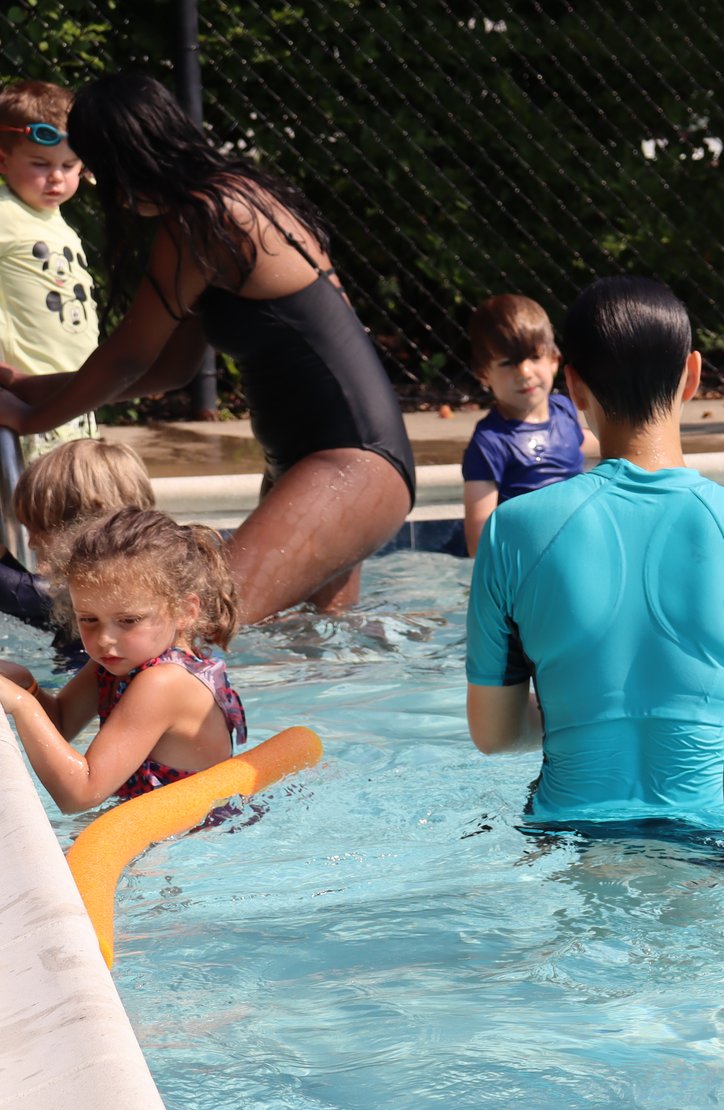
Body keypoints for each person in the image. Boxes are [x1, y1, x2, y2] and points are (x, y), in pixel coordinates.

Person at [0, 71, 414, 625]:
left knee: (182, 626)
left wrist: (31, 420)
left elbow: (130, 356)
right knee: (314, 652)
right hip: (317, 470)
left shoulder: (208, 215)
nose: (99, 183)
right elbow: (169, 369)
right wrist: (27, 388)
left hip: (349, 465)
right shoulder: (220, 202)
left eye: (97, 165)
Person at [464, 276, 724, 828]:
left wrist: (576, 711)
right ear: (693, 376)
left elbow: (494, 735)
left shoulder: (512, 531)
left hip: (570, 835)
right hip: (718, 846)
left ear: (574, 387)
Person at [0, 506, 245, 814]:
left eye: (128, 620)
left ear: (185, 611)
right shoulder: (119, 663)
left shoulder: (165, 683)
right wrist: (25, 682)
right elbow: (60, 723)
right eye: (88, 619)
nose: (104, 639)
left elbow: (80, 794)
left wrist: (22, 704)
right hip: (152, 832)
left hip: (198, 840)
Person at [0, 79, 101, 459]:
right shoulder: (5, 212)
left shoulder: (58, 223)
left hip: (73, 390)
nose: (57, 177)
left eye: (68, 165)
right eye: (41, 164)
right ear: (3, 160)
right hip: (24, 393)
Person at [0, 436, 155, 669]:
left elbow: (20, 593)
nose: (32, 543)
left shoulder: (107, 592)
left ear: (85, 526)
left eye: (40, 529)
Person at [456, 293, 592, 558]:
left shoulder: (563, 410)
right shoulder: (490, 442)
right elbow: (478, 539)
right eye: (508, 363)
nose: (524, 373)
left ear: (554, 360)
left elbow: (580, 442)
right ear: (484, 374)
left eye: (533, 357)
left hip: (574, 547)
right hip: (528, 559)